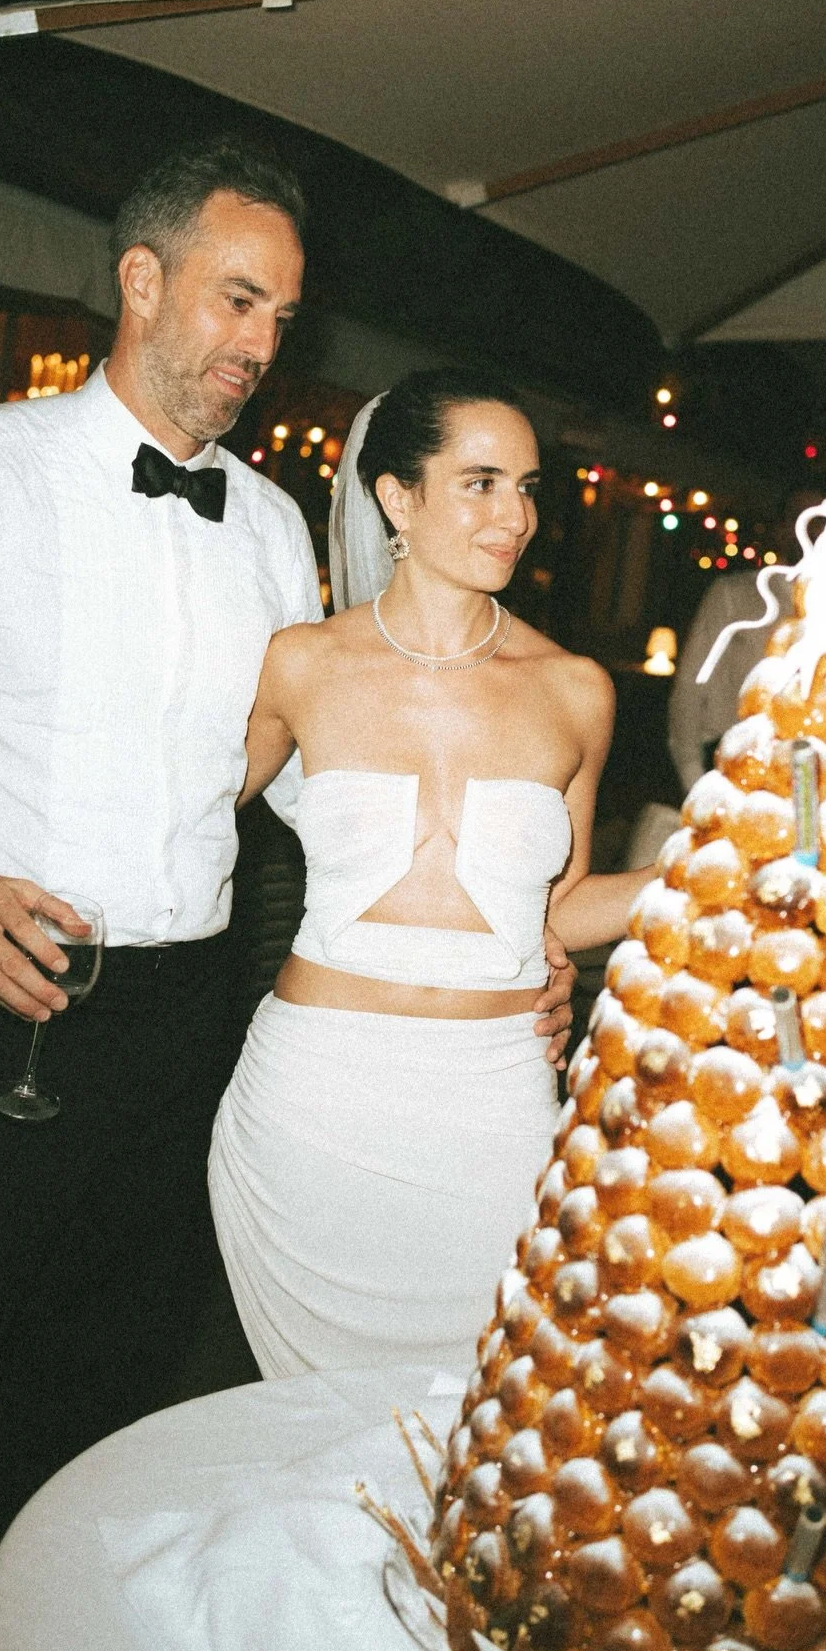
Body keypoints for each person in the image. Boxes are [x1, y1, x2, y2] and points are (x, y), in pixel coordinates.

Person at [0, 140, 584, 1651]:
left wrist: (508, 949)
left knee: (96, 1432)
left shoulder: (270, 531)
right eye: (236, 299)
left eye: (281, 316)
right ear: (141, 280)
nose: (260, 346)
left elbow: (323, 784)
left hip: (190, 1032)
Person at [209, 370, 656, 1379]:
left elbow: (560, 910)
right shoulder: (301, 664)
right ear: (396, 498)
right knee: (316, 1440)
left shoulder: (575, 690)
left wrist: (722, 868)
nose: (518, 517)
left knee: (483, 1422)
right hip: (313, 1101)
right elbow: (174, 824)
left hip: (494, 1100)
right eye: (483, 483)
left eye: (530, 487)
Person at [667, 490, 818, 792]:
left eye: (823, 521)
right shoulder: (735, 596)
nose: (813, 531)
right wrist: (695, 783)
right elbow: (689, 692)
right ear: (783, 528)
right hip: (735, 771)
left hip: (812, 780)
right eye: (804, 519)